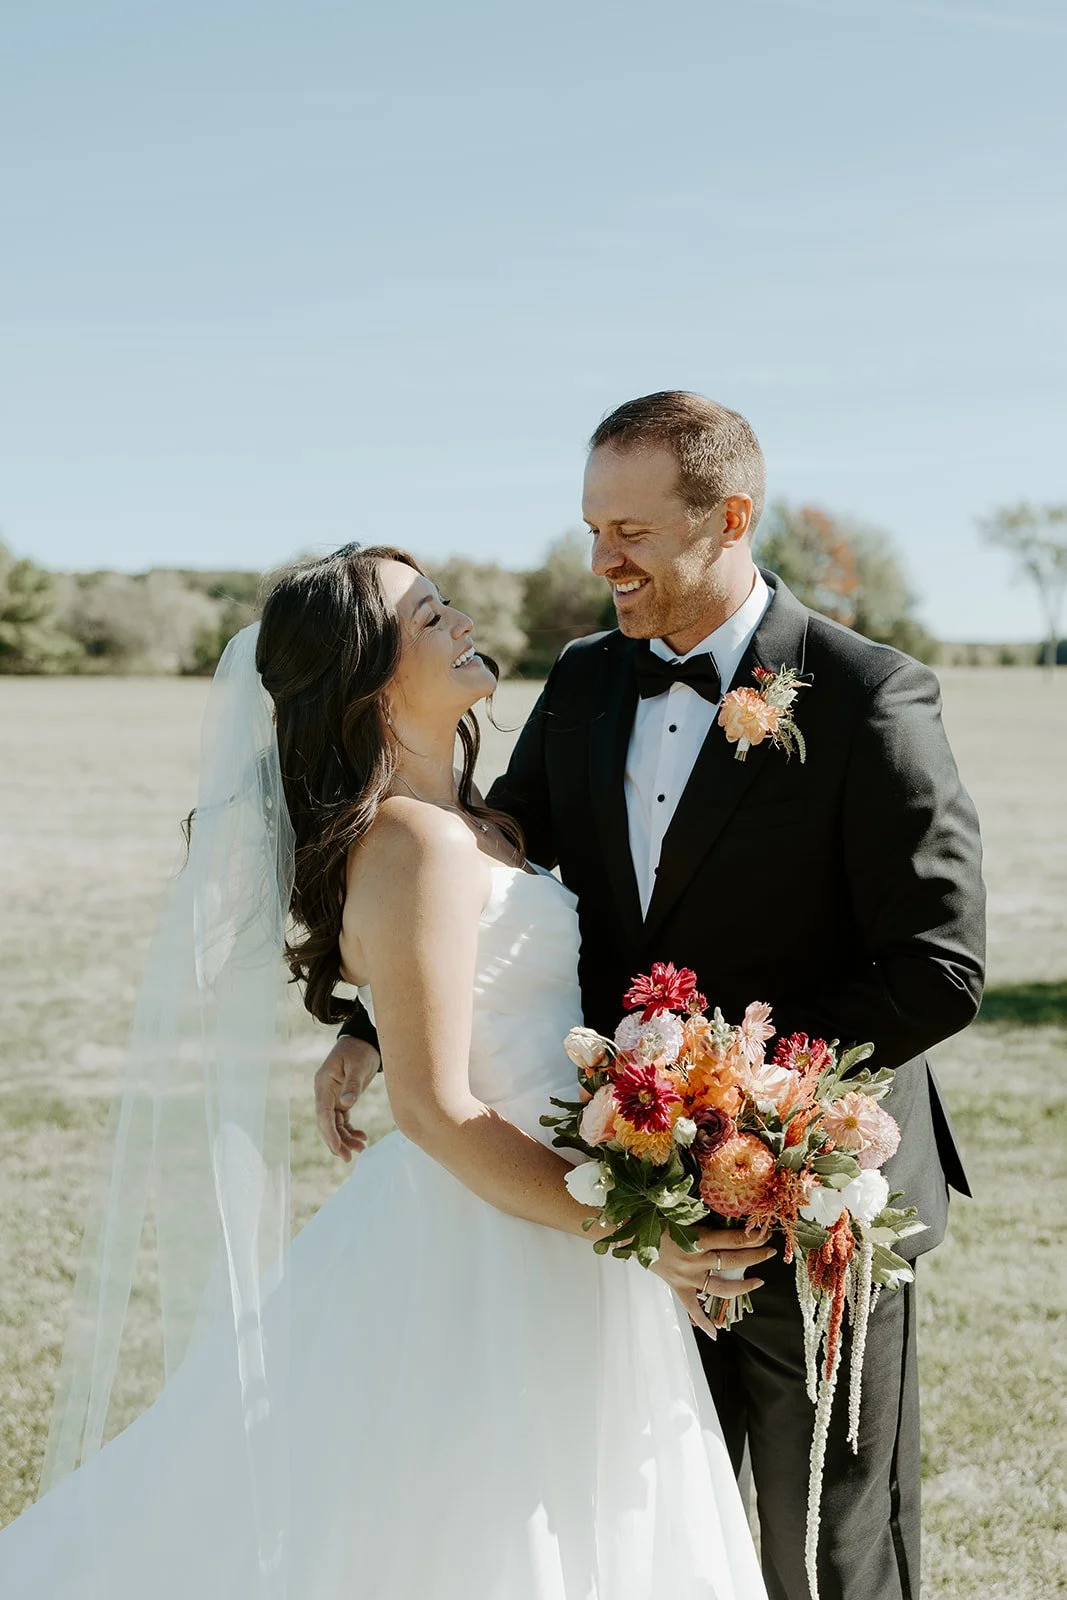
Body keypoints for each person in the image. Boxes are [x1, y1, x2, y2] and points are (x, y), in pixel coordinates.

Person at [0, 540, 769, 1600]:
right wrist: (636, 1231)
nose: (459, 620)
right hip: (490, 1235)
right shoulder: (412, 843)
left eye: (446, 602)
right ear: (367, 680)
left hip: (555, 1221)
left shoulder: (479, 824)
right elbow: (437, 1109)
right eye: (425, 617)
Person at [322, 393, 987, 1600]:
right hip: (626, 1200)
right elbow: (492, 859)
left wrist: (751, 1106)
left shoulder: (864, 692)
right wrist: (375, 1022)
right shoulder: (583, 683)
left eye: (627, 529)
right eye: (589, 527)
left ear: (726, 517)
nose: (598, 560)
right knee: (638, 1529)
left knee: (826, 1546)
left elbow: (937, 964)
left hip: (810, 1188)